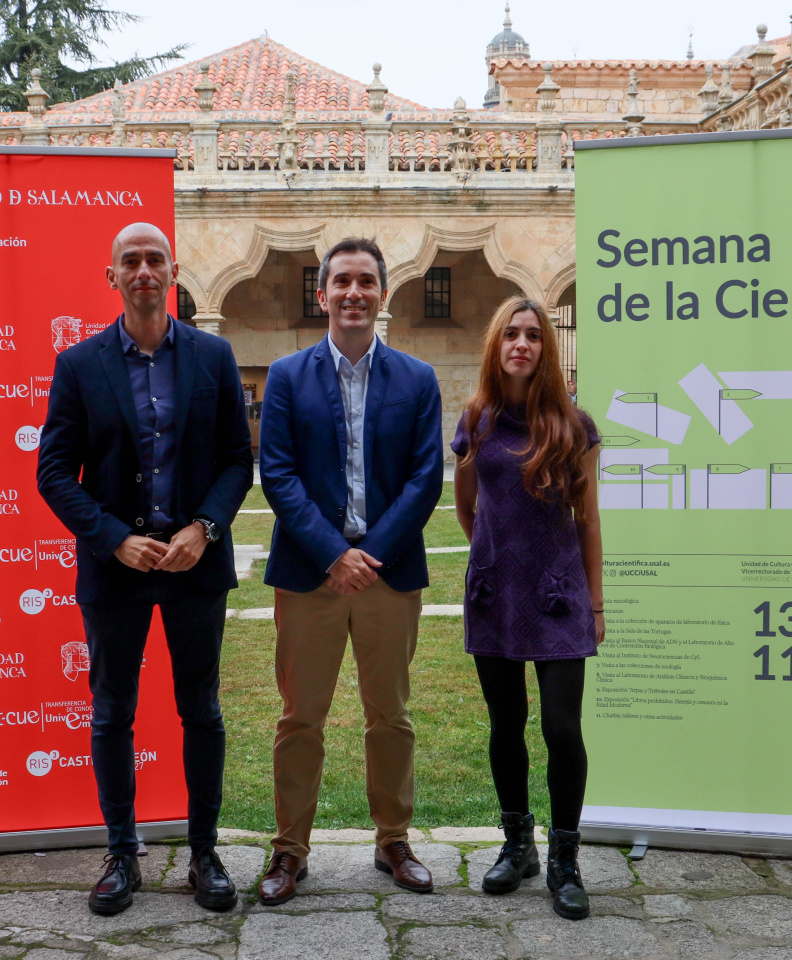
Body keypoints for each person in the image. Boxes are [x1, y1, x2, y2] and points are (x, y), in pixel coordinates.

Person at [37, 222, 253, 917]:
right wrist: (110, 538)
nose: (142, 271)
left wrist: (204, 527)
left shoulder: (214, 358)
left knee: (203, 711)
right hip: (117, 569)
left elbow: (235, 461)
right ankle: (122, 854)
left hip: (194, 563)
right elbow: (52, 472)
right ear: (112, 277)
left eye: (154, 259)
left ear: (173, 272)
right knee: (112, 715)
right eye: (129, 261)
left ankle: (204, 852)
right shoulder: (79, 365)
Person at [257, 237, 444, 904]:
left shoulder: (419, 381)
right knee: (299, 718)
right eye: (342, 282)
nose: (354, 293)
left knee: (389, 715)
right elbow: (275, 473)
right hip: (310, 574)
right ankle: (288, 851)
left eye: (367, 281)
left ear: (383, 294)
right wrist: (333, 554)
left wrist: (370, 556)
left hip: (388, 576)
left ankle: (393, 839)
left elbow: (426, 480)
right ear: (322, 294)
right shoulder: (286, 376)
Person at [452, 294, 604, 921]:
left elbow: (588, 520)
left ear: (546, 349)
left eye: (533, 336)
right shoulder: (477, 420)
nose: (521, 344)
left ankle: (565, 858)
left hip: (558, 592)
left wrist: (594, 601)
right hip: (496, 592)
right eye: (511, 333)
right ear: (497, 345)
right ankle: (518, 845)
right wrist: (492, 554)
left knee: (562, 727)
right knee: (505, 722)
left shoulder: (574, 425)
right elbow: (466, 504)